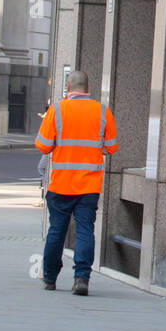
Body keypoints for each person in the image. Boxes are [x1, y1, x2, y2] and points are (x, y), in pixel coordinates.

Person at [35, 70, 118, 295]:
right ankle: (82, 277)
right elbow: (111, 147)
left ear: (68, 88)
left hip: (61, 184)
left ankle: (50, 278)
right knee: (84, 231)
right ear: (87, 88)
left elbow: (42, 145)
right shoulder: (102, 111)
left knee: (56, 231)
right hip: (89, 186)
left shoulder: (57, 110)